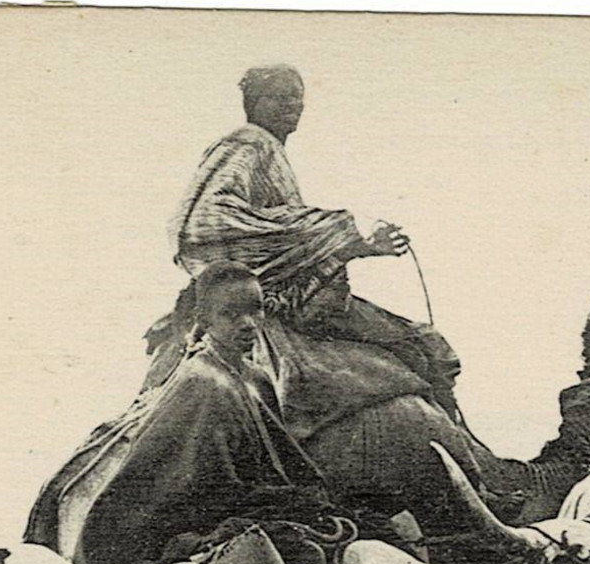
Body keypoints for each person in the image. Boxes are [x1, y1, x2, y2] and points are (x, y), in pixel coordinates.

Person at [61, 262, 397, 564]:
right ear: (205, 320)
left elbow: (279, 459)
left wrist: (306, 498)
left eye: (255, 311)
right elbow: (191, 487)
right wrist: (275, 505)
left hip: (232, 503)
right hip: (159, 526)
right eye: (230, 314)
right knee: (299, 551)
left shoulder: (256, 377)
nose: (247, 325)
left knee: (356, 526)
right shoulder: (200, 382)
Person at [146, 64, 460, 417]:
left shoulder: (268, 150)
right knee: (424, 345)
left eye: (296, 96)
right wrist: (337, 230)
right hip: (272, 299)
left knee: (423, 345)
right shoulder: (248, 143)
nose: (291, 104)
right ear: (253, 102)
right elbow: (199, 224)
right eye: (278, 96)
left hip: (292, 294)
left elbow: (292, 247)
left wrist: (356, 246)